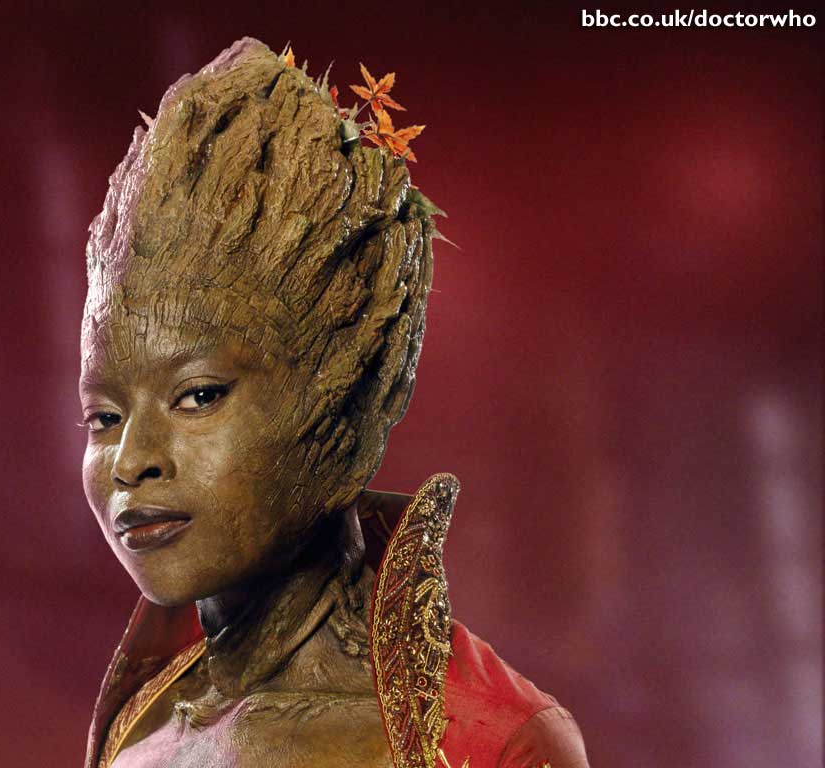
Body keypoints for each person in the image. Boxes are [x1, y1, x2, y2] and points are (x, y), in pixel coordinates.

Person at [78, 37, 590, 768]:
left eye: (198, 396)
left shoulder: (481, 741)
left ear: (349, 398)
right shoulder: (137, 724)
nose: (131, 462)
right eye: (104, 417)